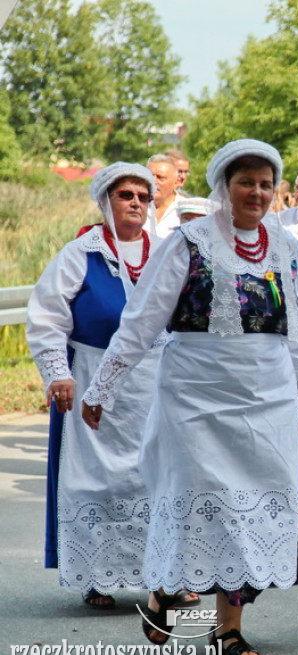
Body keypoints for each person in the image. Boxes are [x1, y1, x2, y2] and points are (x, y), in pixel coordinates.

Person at [81, 139, 298, 655]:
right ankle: (165, 589)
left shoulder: (285, 246)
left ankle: (228, 631)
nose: (257, 192)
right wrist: (102, 389)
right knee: (199, 504)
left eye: (265, 183)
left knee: (245, 514)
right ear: (223, 187)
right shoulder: (188, 242)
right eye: (245, 182)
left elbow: (297, 332)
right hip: (195, 397)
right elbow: (141, 321)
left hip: (267, 397)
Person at [26, 163, 199, 611]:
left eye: (144, 196)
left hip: (157, 382)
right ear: (106, 201)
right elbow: (46, 316)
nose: (137, 203)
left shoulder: (166, 251)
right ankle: (96, 576)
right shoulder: (79, 254)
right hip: (91, 378)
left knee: (159, 478)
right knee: (94, 481)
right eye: (126, 195)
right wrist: (58, 373)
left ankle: (164, 578)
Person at [146, 154, 180, 239]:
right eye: (150, 177)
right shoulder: (135, 207)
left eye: (160, 178)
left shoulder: (185, 211)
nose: (153, 182)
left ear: (176, 182)